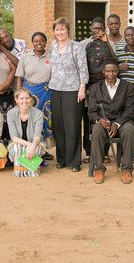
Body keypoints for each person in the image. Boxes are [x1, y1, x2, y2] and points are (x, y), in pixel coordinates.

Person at [49, 17, 89, 172]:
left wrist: (82, 88)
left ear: (68, 30)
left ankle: (74, 161)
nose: (59, 32)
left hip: (72, 90)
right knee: (58, 126)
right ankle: (62, 159)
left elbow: (83, 68)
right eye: (57, 30)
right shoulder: (53, 45)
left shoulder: (76, 47)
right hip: (55, 89)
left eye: (62, 29)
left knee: (72, 126)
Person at [88, 60, 134, 184]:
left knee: (130, 130)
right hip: (103, 122)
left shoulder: (128, 87)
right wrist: (99, 120)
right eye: (108, 71)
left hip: (122, 121)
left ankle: (126, 169)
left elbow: (130, 110)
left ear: (118, 71)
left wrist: (117, 123)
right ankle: (99, 169)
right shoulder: (95, 88)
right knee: (96, 130)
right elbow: (91, 112)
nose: (111, 73)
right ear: (103, 72)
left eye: (114, 70)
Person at [80, 17, 116, 163]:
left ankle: (105, 152)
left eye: (100, 28)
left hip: (104, 85)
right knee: (89, 118)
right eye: (95, 28)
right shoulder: (83, 44)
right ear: (91, 29)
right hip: (89, 86)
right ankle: (89, 152)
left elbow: (115, 60)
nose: (98, 31)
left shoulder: (110, 42)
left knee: (106, 116)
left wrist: (107, 42)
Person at [15, 31, 54, 160]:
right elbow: (19, 76)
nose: (39, 43)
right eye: (36, 41)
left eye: (41, 40)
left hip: (46, 92)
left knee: (44, 120)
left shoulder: (51, 56)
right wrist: (19, 94)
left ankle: (43, 150)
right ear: (32, 43)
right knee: (29, 119)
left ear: (45, 42)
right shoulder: (26, 57)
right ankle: (28, 148)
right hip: (29, 93)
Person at [117, 26, 134, 163]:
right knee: (123, 125)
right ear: (124, 36)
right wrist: (118, 67)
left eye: (133, 35)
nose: (130, 37)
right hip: (120, 97)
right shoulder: (118, 52)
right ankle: (122, 153)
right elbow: (110, 70)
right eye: (128, 35)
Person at [7, 87, 46, 177]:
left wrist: (33, 145)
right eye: (21, 98)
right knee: (18, 148)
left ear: (31, 99)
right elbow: (14, 137)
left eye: (27, 98)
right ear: (16, 100)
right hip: (18, 143)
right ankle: (21, 172)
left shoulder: (38, 113)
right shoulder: (11, 113)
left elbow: (37, 135)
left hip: (35, 143)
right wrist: (29, 145)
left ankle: (32, 171)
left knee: (35, 149)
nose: (25, 101)